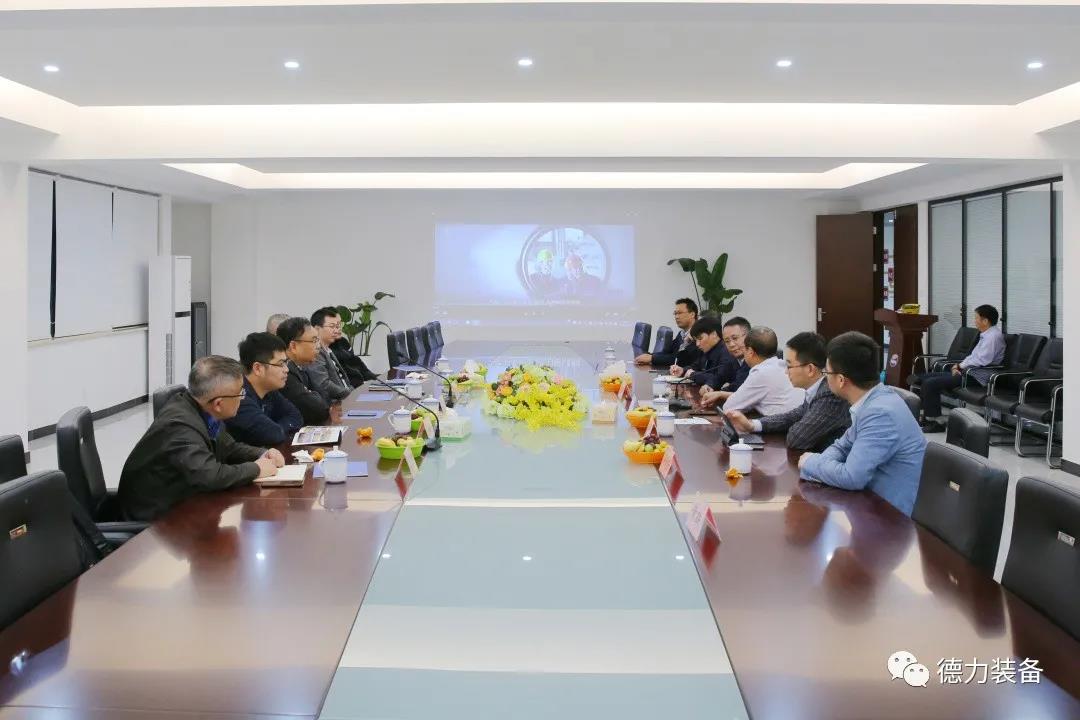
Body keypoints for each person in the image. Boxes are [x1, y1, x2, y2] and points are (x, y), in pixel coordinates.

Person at [117, 356, 283, 521]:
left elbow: (229, 448)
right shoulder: (179, 427)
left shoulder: (203, 409)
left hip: (185, 505)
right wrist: (256, 469)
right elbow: (210, 476)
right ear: (218, 404)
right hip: (156, 521)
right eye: (241, 392)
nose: (242, 398)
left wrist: (262, 453)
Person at [798, 332, 927, 516]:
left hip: (891, 518)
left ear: (841, 380)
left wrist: (811, 463)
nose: (825, 378)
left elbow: (852, 477)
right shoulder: (872, 400)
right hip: (870, 503)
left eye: (826, 373)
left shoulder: (880, 413)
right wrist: (820, 465)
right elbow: (842, 446)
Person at [725, 331, 850, 452]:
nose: (786, 372)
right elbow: (792, 416)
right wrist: (752, 425)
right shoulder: (816, 389)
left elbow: (796, 439)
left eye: (789, 366)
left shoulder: (829, 395)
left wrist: (797, 423)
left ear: (810, 369)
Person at [915, 304, 1006, 433]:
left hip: (977, 377)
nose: (975, 321)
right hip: (969, 372)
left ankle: (936, 422)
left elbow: (982, 360)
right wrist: (958, 366)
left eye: (976, 318)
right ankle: (927, 416)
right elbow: (973, 357)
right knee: (923, 377)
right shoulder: (986, 334)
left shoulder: (993, 337)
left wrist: (960, 366)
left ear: (985, 321)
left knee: (930, 383)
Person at [702, 326, 804, 415]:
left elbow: (729, 407)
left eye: (745, 349)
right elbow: (746, 396)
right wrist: (720, 394)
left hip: (782, 428)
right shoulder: (780, 365)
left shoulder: (760, 373)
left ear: (750, 352)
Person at [225, 332, 303, 446]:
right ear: (258, 368)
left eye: (286, 363)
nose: (286, 369)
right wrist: (278, 429)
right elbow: (273, 434)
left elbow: (296, 416)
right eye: (280, 364)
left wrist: (278, 428)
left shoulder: (269, 390)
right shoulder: (239, 396)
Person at [276, 317, 334, 425]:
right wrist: (314, 395)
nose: (318, 346)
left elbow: (326, 398)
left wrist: (314, 395)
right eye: (314, 341)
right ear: (293, 346)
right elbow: (318, 410)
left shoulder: (302, 366)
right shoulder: (285, 373)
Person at [668, 316, 738, 391]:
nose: (697, 344)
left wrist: (693, 375)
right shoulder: (707, 350)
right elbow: (695, 366)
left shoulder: (727, 351)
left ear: (714, 334)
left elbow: (719, 379)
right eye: (696, 340)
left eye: (700, 339)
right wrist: (682, 370)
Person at [635, 298, 700, 367]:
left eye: (680, 313)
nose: (676, 317)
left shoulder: (698, 335)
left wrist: (652, 358)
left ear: (692, 314)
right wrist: (650, 356)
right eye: (675, 313)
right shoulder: (682, 333)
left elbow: (682, 360)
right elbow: (669, 352)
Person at [309, 307, 354, 403]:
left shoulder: (328, 349)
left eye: (337, 326)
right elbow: (323, 384)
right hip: (335, 404)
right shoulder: (315, 352)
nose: (336, 330)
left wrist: (354, 393)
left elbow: (344, 380)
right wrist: (351, 395)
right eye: (332, 326)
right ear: (317, 329)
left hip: (346, 399)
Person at [721, 317, 752, 391]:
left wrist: (722, 392)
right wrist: (709, 385)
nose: (731, 344)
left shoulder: (757, 358)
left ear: (749, 337)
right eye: (727, 341)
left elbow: (740, 387)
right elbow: (719, 377)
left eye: (735, 338)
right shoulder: (731, 359)